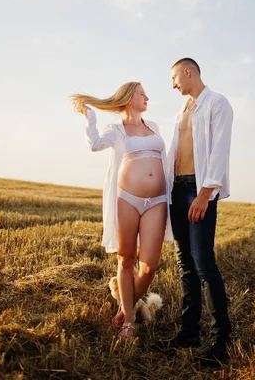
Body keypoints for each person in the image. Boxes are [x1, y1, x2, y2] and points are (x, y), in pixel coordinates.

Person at [71, 81, 173, 341]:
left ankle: (125, 304)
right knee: (126, 260)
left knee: (149, 267)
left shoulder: (155, 128)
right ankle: (128, 321)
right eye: (142, 94)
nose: (147, 97)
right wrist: (89, 116)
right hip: (127, 199)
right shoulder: (116, 130)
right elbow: (94, 144)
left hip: (157, 200)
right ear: (129, 98)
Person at [167, 57, 233, 366]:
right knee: (185, 264)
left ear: (188, 72)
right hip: (177, 190)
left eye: (175, 77)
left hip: (199, 190)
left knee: (203, 262)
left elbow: (219, 150)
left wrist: (205, 194)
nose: (173, 84)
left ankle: (221, 341)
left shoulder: (217, 103)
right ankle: (188, 333)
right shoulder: (181, 111)